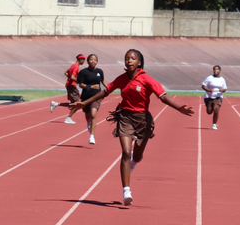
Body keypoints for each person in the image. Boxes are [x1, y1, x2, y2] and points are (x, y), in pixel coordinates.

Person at [71, 49, 194, 206]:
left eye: (132, 59)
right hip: (125, 118)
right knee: (126, 153)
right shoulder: (121, 79)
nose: (129, 61)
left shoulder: (146, 79)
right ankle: (126, 191)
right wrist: (85, 103)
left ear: (139, 63)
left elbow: (162, 97)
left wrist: (179, 109)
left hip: (143, 120)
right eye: (126, 58)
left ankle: (134, 163)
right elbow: (105, 92)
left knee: (136, 156)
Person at [77, 54, 107, 144]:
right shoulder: (83, 72)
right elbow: (81, 84)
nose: (93, 61)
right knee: (88, 115)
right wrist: (90, 87)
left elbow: (103, 81)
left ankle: (92, 136)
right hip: (86, 96)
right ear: (88, 61)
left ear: (97, 62)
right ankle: (89, 123)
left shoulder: (100, 71)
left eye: (95, 60)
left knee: (93, 114)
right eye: (91, 59)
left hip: (97, 96)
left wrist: (109, 87)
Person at [50, 54, 86, 124]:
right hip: (71, 86)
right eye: (83, 60)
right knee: (77, 104)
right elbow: (72, 77)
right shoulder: (76, 67)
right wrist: (79, 82)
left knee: (73, 104)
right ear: (80, 59)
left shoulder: (73, 65)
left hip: (70, 85)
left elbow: (66, 72)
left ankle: (56, 104)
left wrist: (70, 79)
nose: (84, 61)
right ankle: (68, 118)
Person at [202, 65, 227, 130]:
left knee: (216, 110)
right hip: (209, 97)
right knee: (209, 112)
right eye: (214, 69)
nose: (215, 71)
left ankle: (214, 124)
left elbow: (225, 88)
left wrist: (222, 90)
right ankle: (210, 106)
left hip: (218, 97)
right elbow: (203, 86)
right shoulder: (209, 78)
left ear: (219, 71)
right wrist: (209, 90)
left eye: (217, 69)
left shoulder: (222, 79)